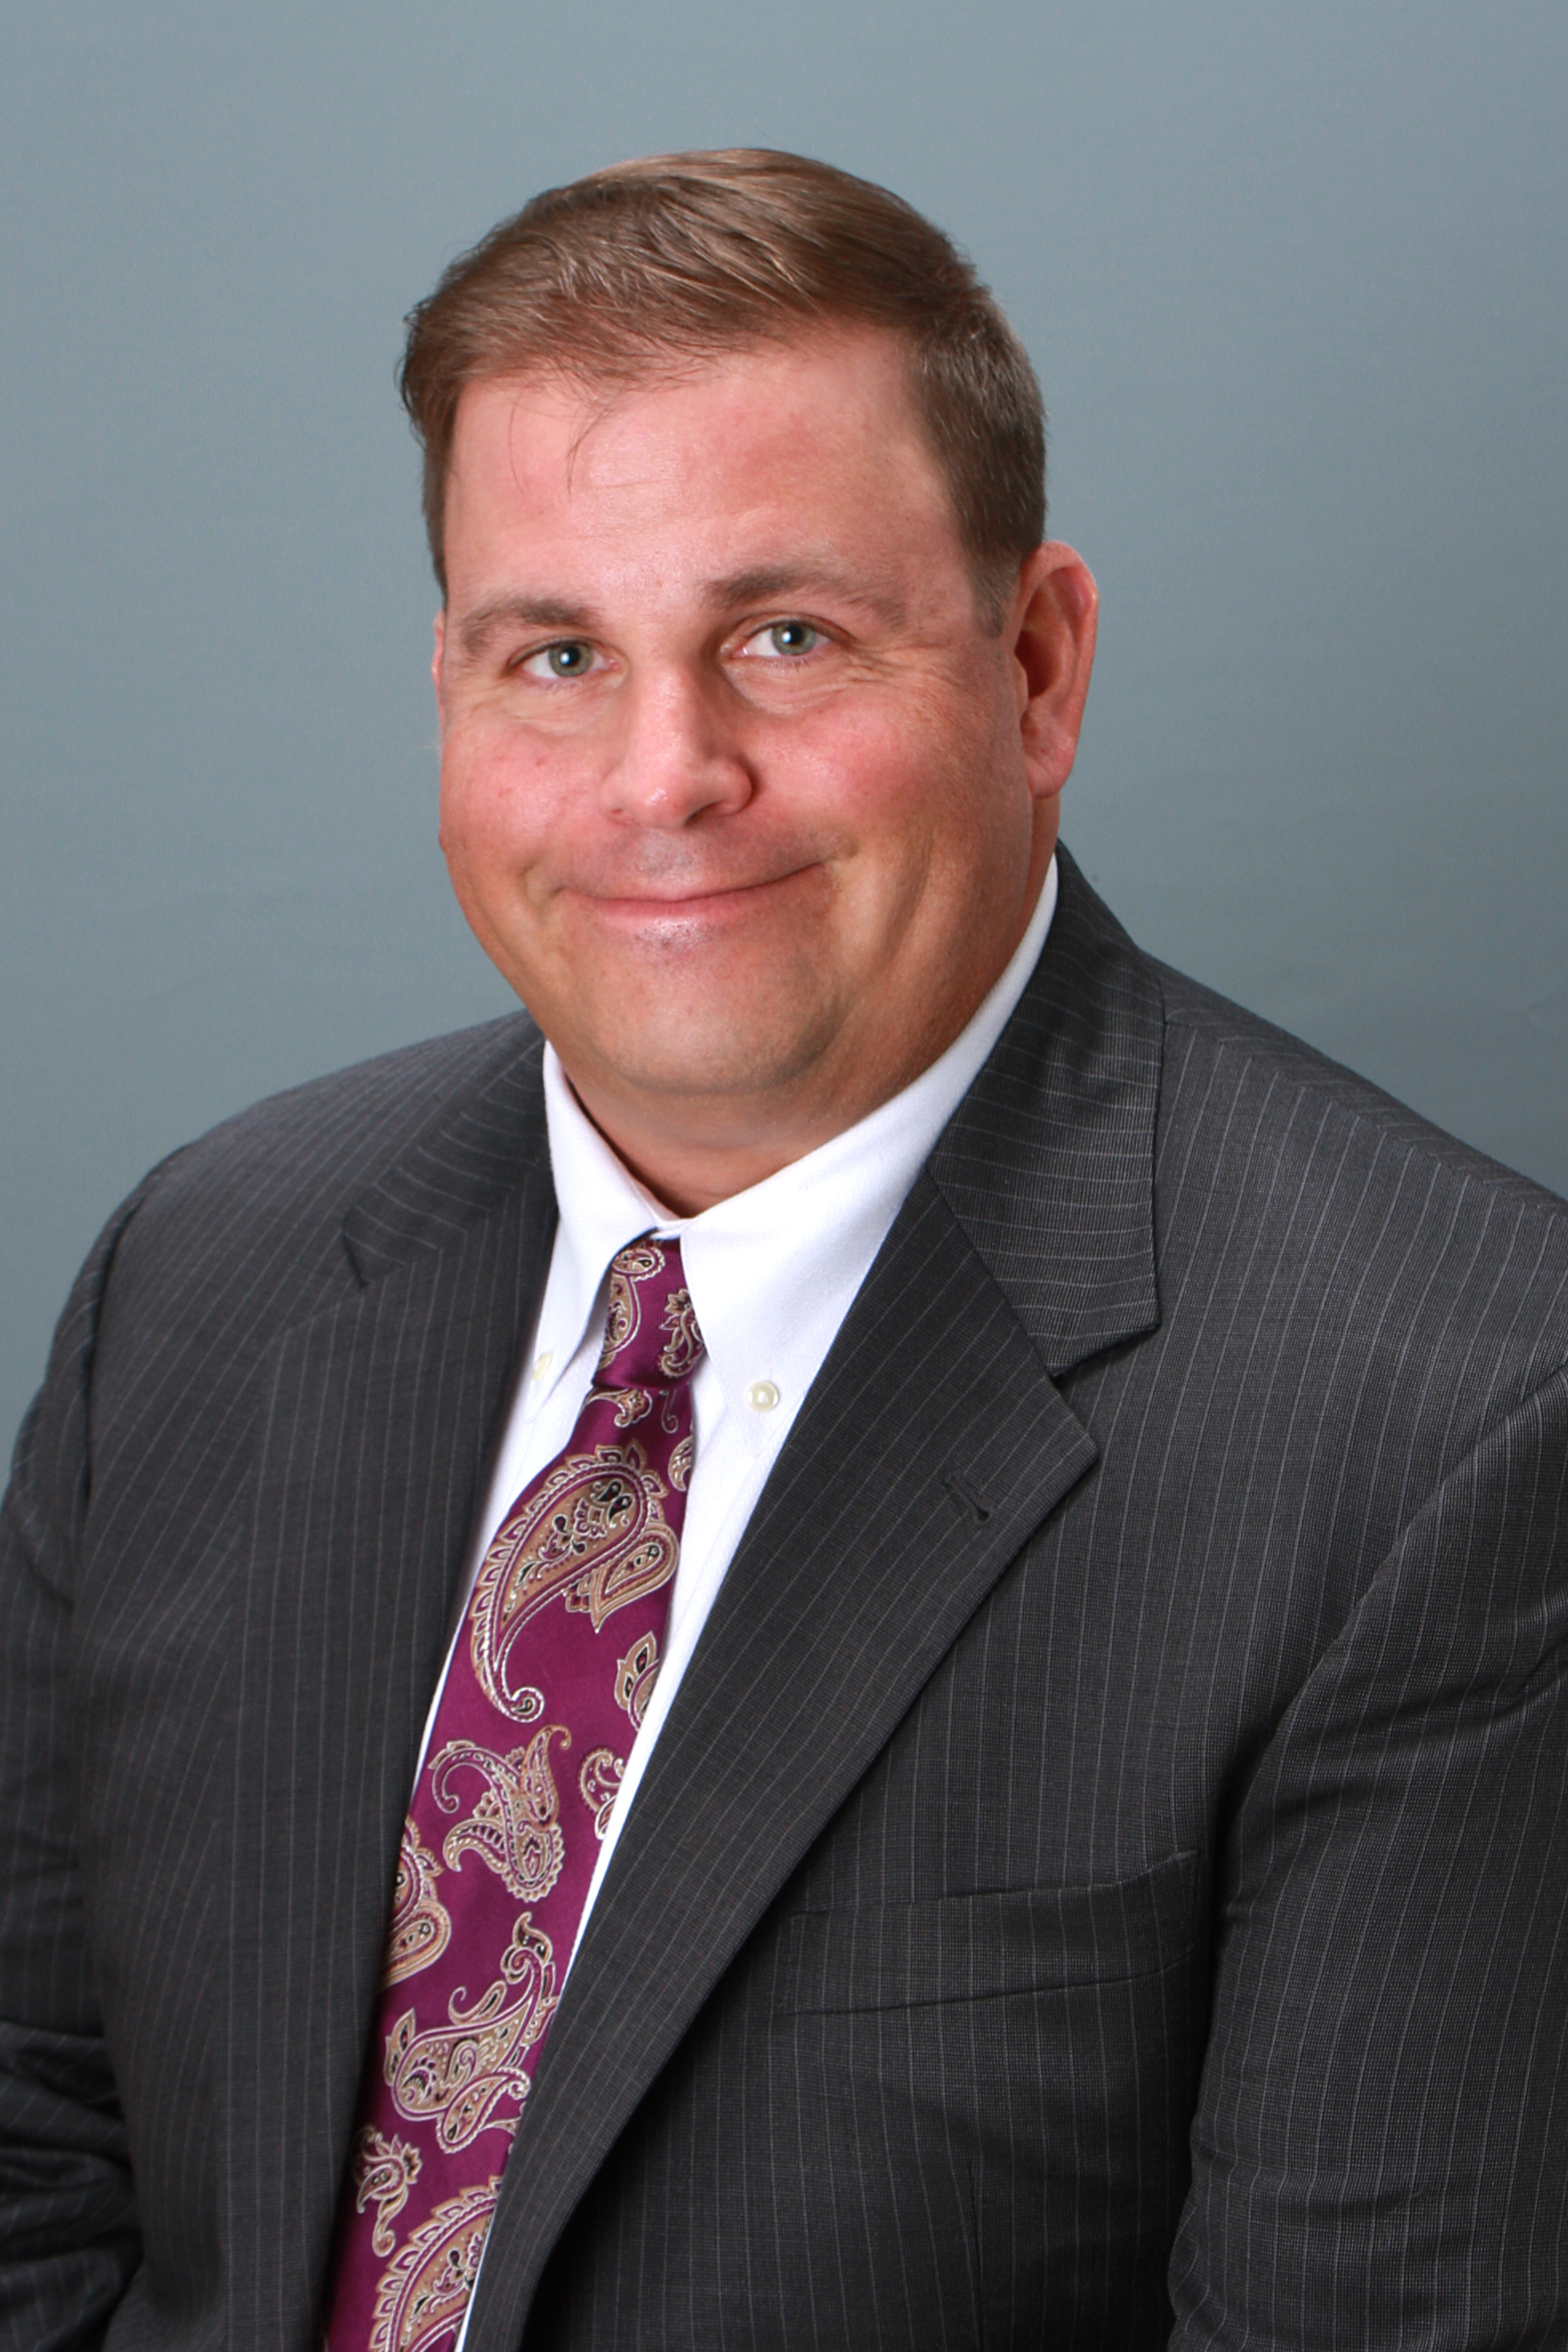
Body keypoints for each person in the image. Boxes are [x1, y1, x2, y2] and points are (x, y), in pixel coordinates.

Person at [2, 149, 1566, 2352]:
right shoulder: (207, 1275)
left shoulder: (1457, 1419)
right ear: (448, 687)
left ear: (1038, 668)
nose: (664, 778)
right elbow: (30, 2143)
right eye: (558, 653)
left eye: (785, 638)